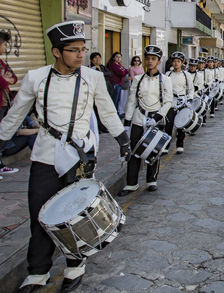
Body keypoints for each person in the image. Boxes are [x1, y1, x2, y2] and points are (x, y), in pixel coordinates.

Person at [0, 20, 130, 293]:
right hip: (45, 156)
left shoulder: (93, 78)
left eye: (83, 49)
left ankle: (75, 263)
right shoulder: (35, 77)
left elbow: (107, 111)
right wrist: (1, 139)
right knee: (41, 215)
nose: (80, 55)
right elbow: (14, 114)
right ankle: (37, 271)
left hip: (78, 157)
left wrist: (123, 140)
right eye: (73, 50)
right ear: (57, 51)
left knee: (75, 215)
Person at [120, 45, 173, 196]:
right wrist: (127, 122)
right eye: (148, 58)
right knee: (134, 151)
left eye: (153, 59)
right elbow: (131, 101)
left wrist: (157, 116)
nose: (150, 62)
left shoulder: (165, 80)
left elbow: (168, 101)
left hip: (155, 119)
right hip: (139, 117)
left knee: (153, 151)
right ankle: (131, 183)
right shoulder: (138, 79)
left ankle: (151, 180)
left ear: (158, 61)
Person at [166, 52, 194, 154]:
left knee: (181, 125)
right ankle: (166, 145)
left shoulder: (186, 75)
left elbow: (191, 89)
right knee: (168, 124)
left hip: (182, 101)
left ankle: (180, 144)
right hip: (171, 101)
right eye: (174, 61)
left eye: (178, 61)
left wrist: (190, 99)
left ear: (182, 63)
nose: (176, 63)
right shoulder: (167, 74)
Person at [0, 30, 17, 121]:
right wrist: (5, 80)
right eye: (5, 45)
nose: (6, 48)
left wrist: (5, 79)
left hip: (5, 102)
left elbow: (14, 78)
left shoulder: (2, 63)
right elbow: (3, 84)